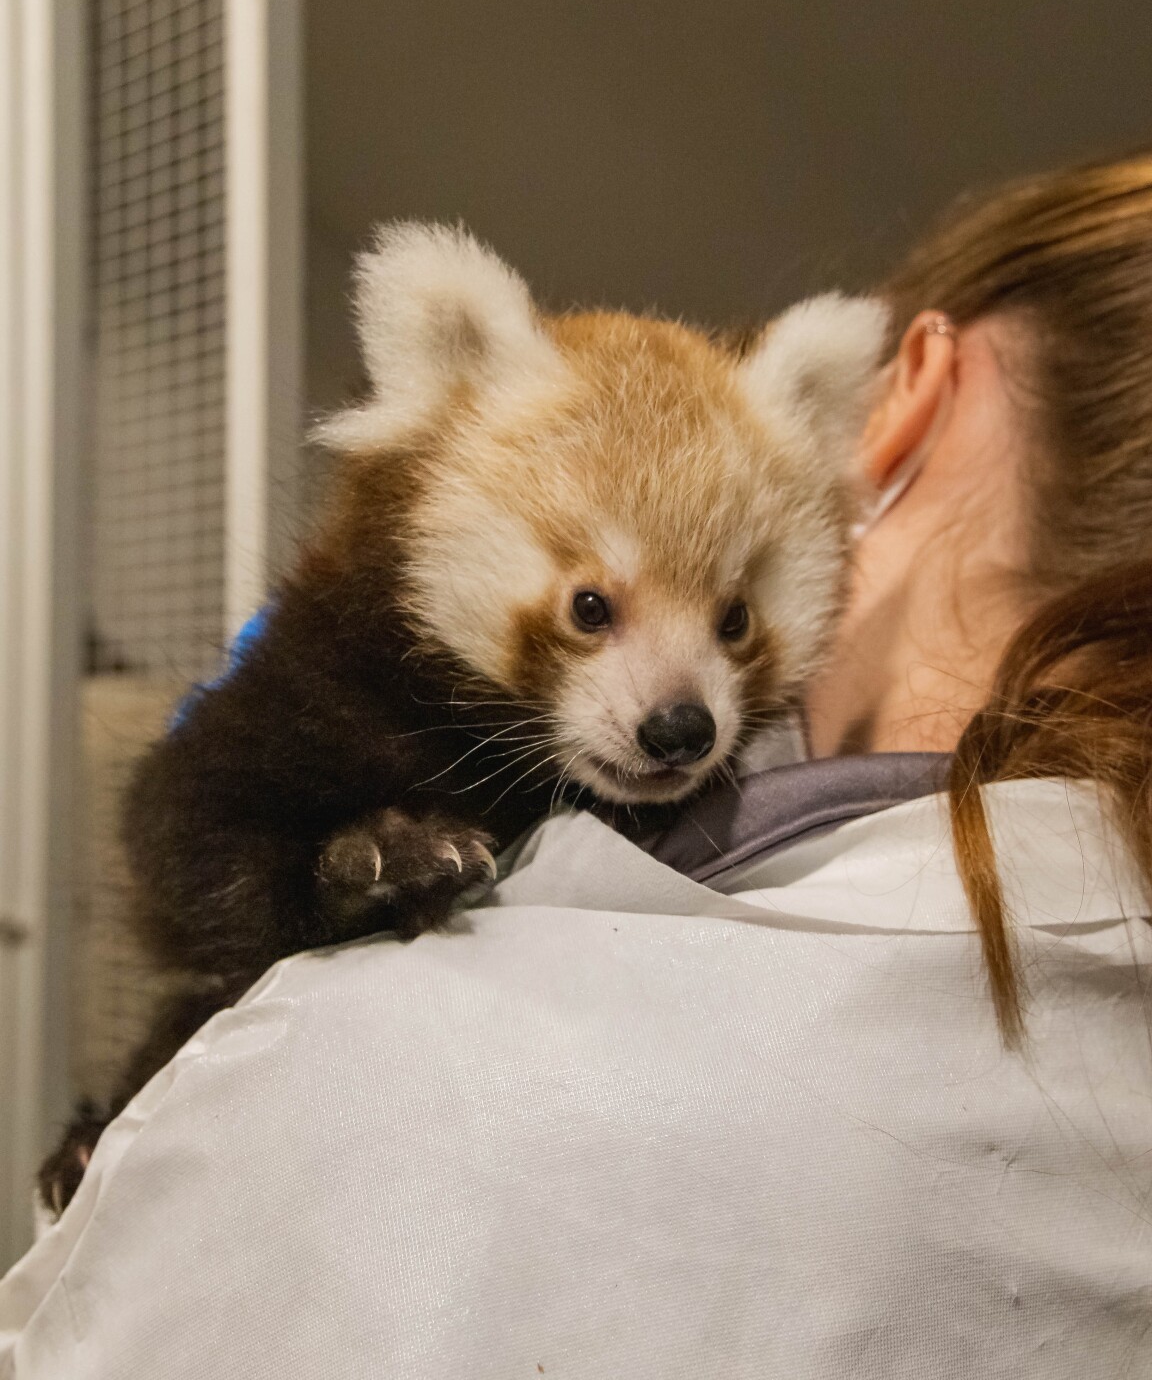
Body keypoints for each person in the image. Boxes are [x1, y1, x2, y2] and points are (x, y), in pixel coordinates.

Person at [2, 152, 1151, 1379]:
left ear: (913, 397)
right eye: (593, 607)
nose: (683, 714)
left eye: (731, 625)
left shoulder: (403, 1071)